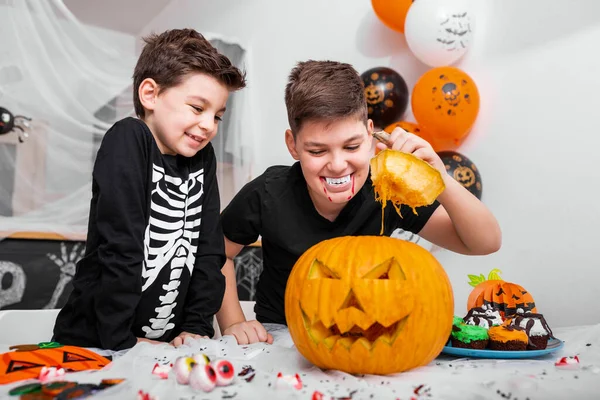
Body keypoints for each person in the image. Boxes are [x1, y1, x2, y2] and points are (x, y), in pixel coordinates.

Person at [216, 60, 501, 345]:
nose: (338, 165)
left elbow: (484, 242)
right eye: (317, 151)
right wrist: (234, 322)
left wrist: (439, 178)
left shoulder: (389, 190)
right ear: (293, 145)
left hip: (368, 337)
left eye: (351, 146)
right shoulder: (267, 192)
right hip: (282, 336)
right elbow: (219, 252)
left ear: (369, 134)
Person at [52, 29, 246, 351]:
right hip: (97, 341)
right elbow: (121, 244)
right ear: (150, 95)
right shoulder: (128, 138)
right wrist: (122, 341)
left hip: (164, 346)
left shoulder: (201, 158)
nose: (209, 125)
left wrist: (196, 326)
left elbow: (208, 246)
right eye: (198, 109)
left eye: (218, 117)